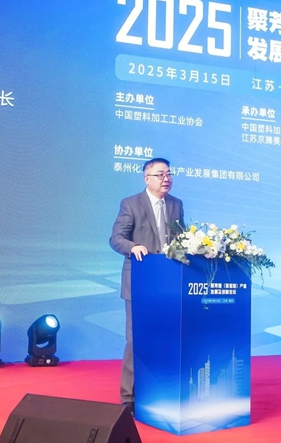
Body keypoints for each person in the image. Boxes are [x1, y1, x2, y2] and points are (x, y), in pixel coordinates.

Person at [109, 157, 185, 414]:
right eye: (161, 175)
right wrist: (133, 247)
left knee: (166, 337)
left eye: (169, 174)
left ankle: (160, 391)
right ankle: (129, 397)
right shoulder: (131, 203)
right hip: (139, 282)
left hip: (168, 283)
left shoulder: (176, 205)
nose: (167, 179)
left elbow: (181, 239)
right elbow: (116, 238)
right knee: (136, 339)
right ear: (147, 178)